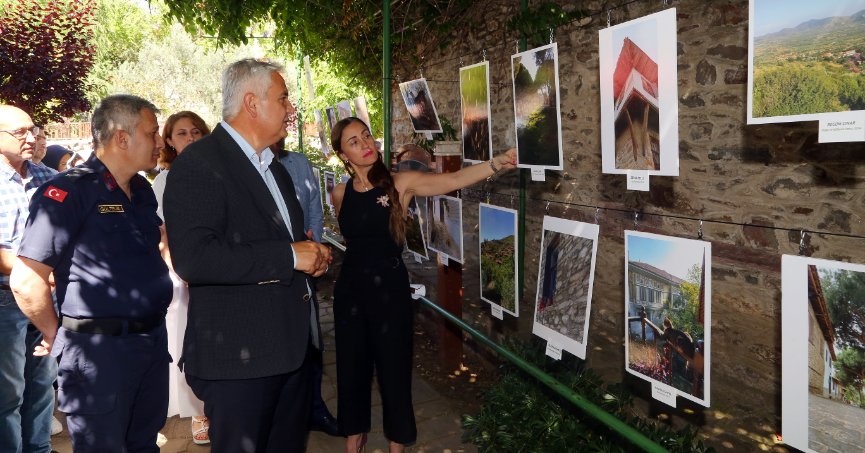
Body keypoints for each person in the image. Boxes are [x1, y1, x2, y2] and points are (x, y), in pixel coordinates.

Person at [162, 58, 332, 453]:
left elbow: (286, 240)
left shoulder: (275, 167)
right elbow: (194, 259)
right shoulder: (200, 164)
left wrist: (312, 255)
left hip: (290, 353)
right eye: (283, 98)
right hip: (240, 364)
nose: (291, 108)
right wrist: (289, 257)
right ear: (252, 103)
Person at [330, 117, 516, 453]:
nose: (366, 144)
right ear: (343, 154)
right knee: (351, 368)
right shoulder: (340, 193)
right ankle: (353, 438)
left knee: (394, 370)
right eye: (354, 141)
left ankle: (397, 445)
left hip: (389, 291)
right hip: (350, 292)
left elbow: (453, 179)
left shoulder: (399, 183)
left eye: (367, 135)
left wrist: (496, 163)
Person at [10, 94, 173, 452]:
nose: (160, 142)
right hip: (99, 354)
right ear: (122, 138)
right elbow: (26, 280)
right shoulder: (68, 192)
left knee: (144, 444)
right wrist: (56, 334)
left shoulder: (141, 190)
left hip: (149, 344)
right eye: (152, 132)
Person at [0, 105, 58, 453]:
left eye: (33, 129)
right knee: (8, 395)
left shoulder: (50, 179)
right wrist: (36, 272)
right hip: (5, 301)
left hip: (46, 300)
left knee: (42, 386)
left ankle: (39, 449)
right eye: (19, 132)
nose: (31, 138)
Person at [153, 111, 212, 444]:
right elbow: (163, 232)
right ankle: (198, 411)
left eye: (196, 132)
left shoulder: (220, 171)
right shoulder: (164, 180)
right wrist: (179, 269)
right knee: (186, 337)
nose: (190, 137)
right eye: (182, 133)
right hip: (182, 270)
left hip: (217, 264)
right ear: (170, 141)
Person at [274, 139, 339, 437]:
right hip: (270, 273)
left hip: (305, 271)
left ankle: (314, 409)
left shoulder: (298, 163)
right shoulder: (242, 164)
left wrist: (317, 251)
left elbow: (314, 209)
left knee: (311, 341)